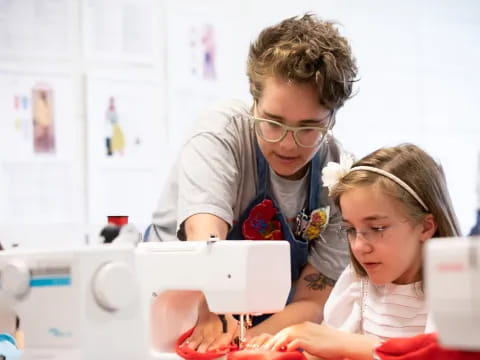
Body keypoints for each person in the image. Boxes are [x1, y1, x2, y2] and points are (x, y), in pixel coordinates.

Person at [147, 13, 358, 352]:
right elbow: (206, 241)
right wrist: (214, 309)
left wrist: (251, 346)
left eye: (308, 128)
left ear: (332, 117)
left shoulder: (338, 176)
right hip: (179, 311)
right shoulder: (220, 134)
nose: (288, 144)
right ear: (254, 101)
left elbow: (312, 300)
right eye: (273, 122)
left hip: (264, 323)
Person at [254, 144, 461, 360]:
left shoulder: (455, 296)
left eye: (377, 228)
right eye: (350, 230)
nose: (359, 247)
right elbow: (327, 351)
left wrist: (347, 345)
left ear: (426, 227)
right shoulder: (357, 284)